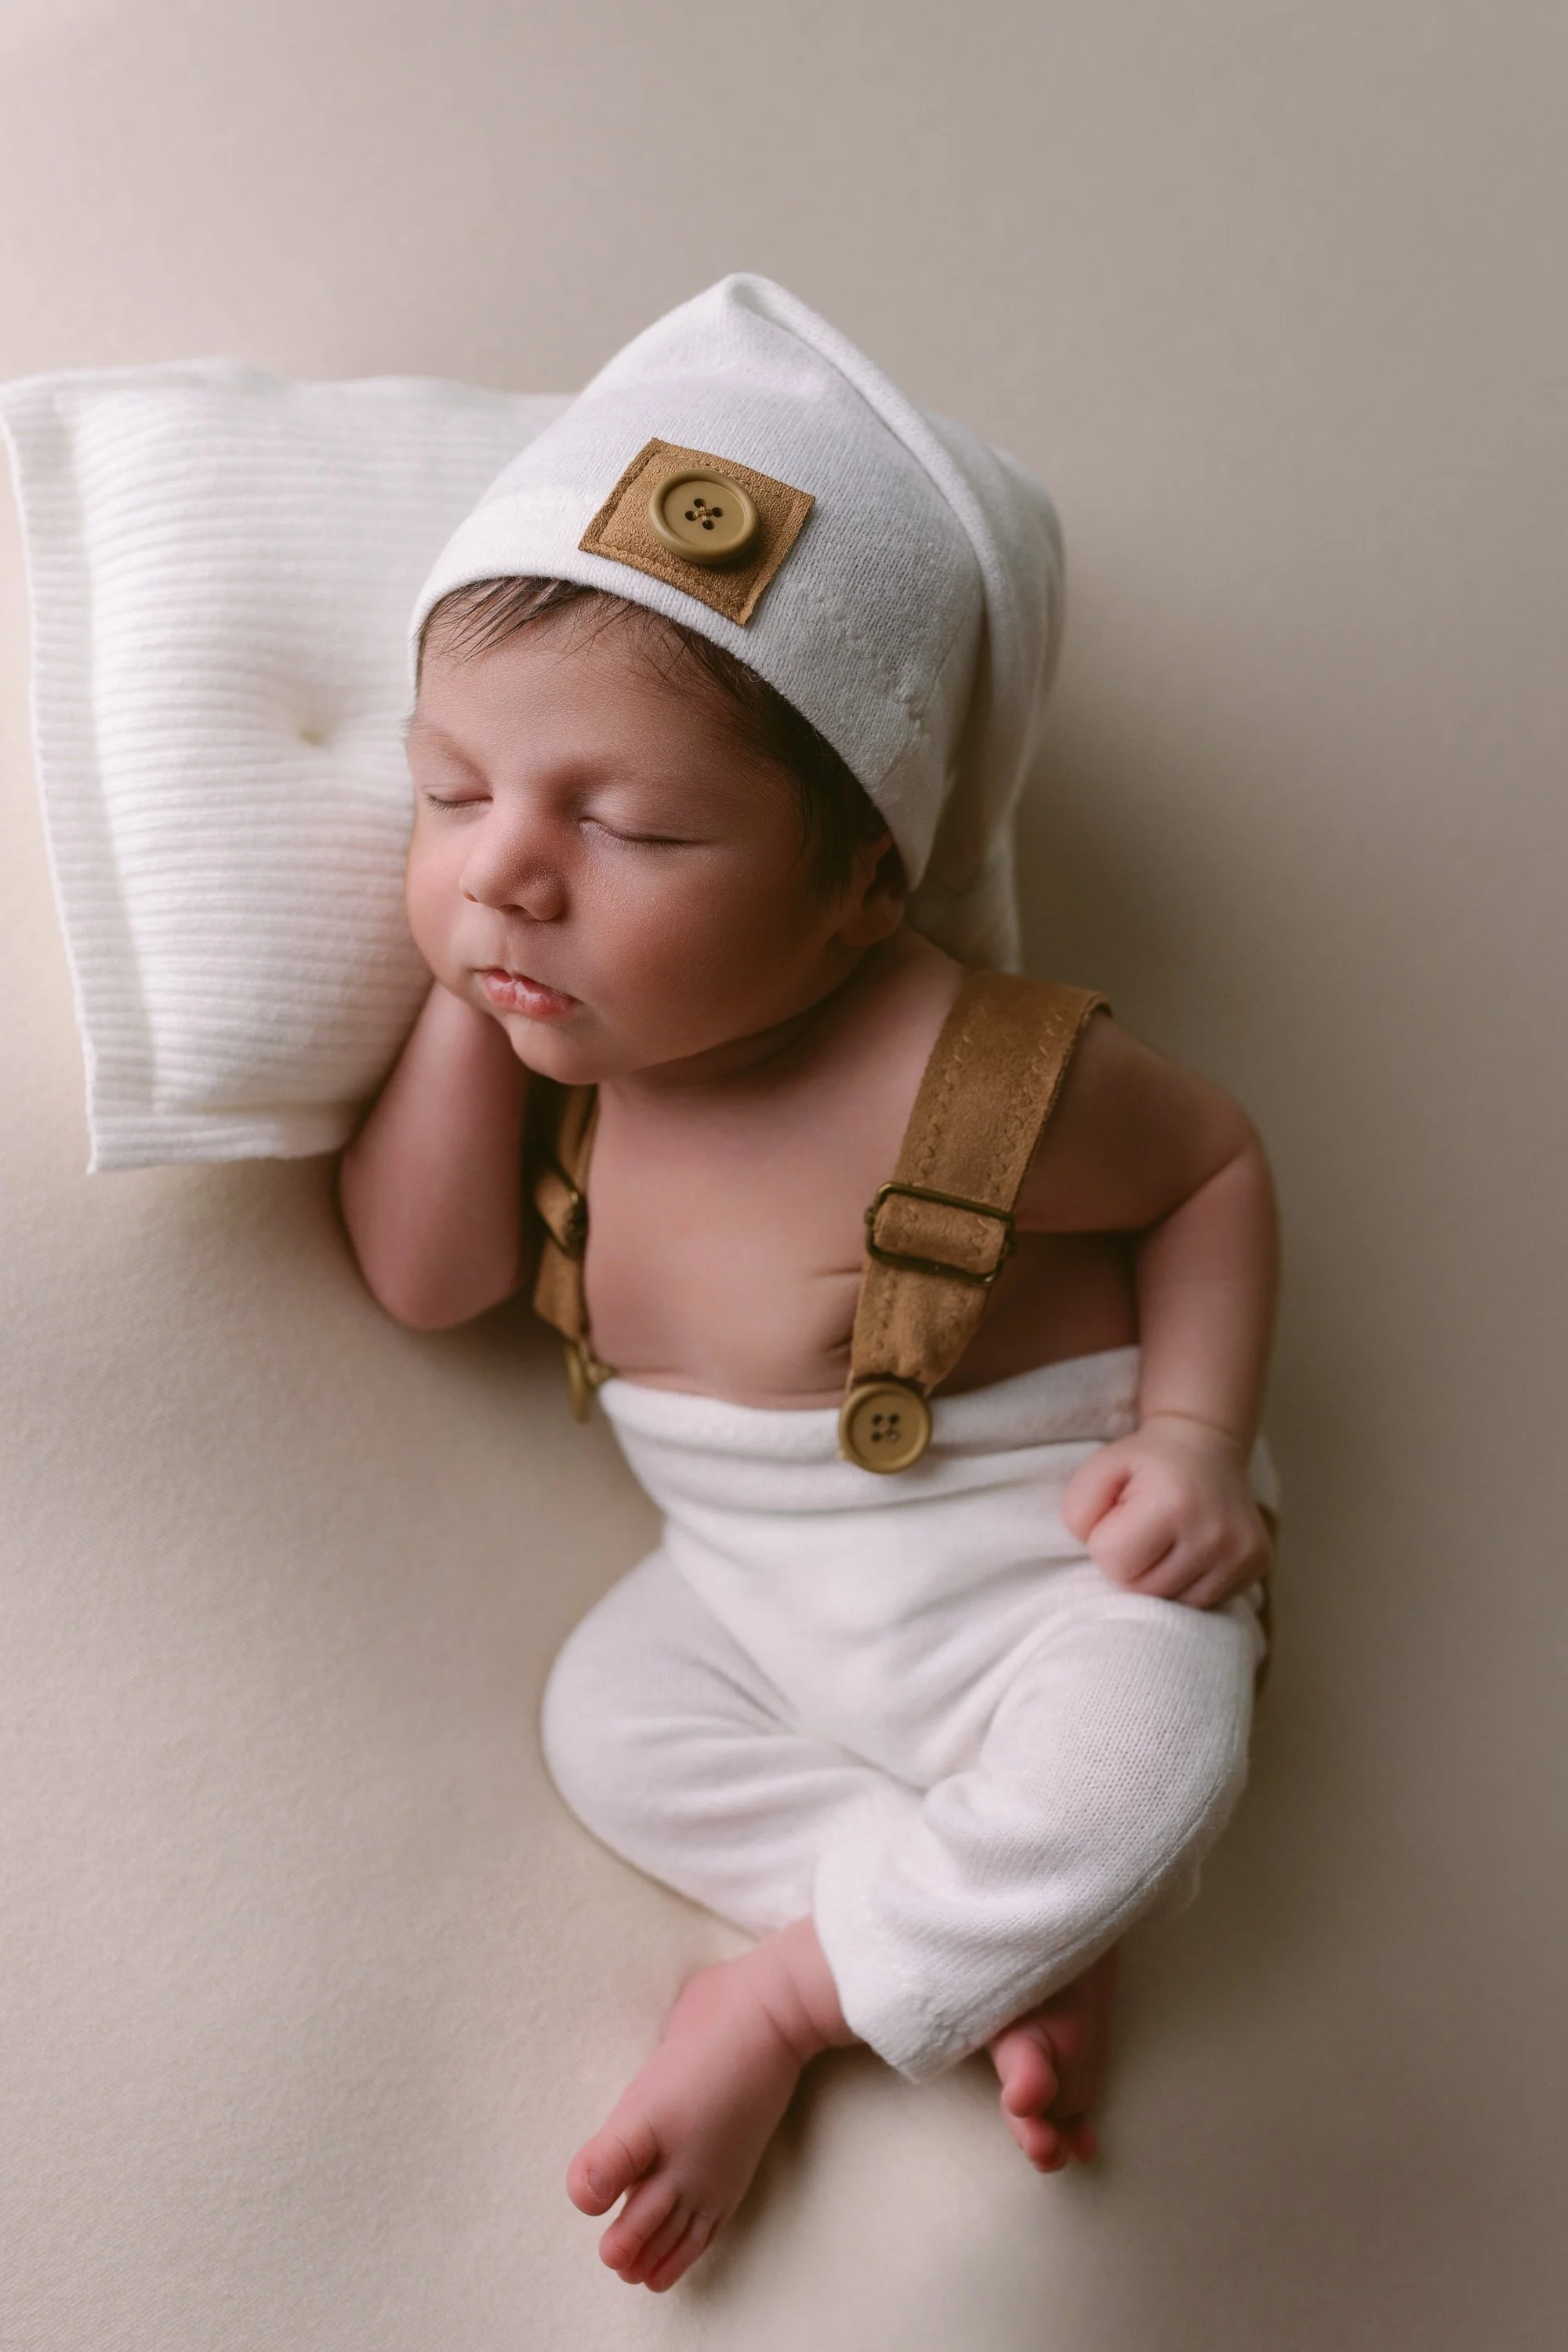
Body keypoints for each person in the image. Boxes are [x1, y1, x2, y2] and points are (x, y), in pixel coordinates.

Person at [337, 276, 1278, 2296]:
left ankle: (786, 2000)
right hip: (752, 1608)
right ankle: (981, 1935)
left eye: (630, 822)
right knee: (608, 1721)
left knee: (1157, 1746)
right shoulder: (547, 1039)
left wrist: (1197, 1439)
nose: (511, 867)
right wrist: (454, 1015)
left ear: (864, 884)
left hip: (1039, 1576)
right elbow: (428, 1285)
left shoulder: (970, 1073)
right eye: (448, 791)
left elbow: (1211, 1162)